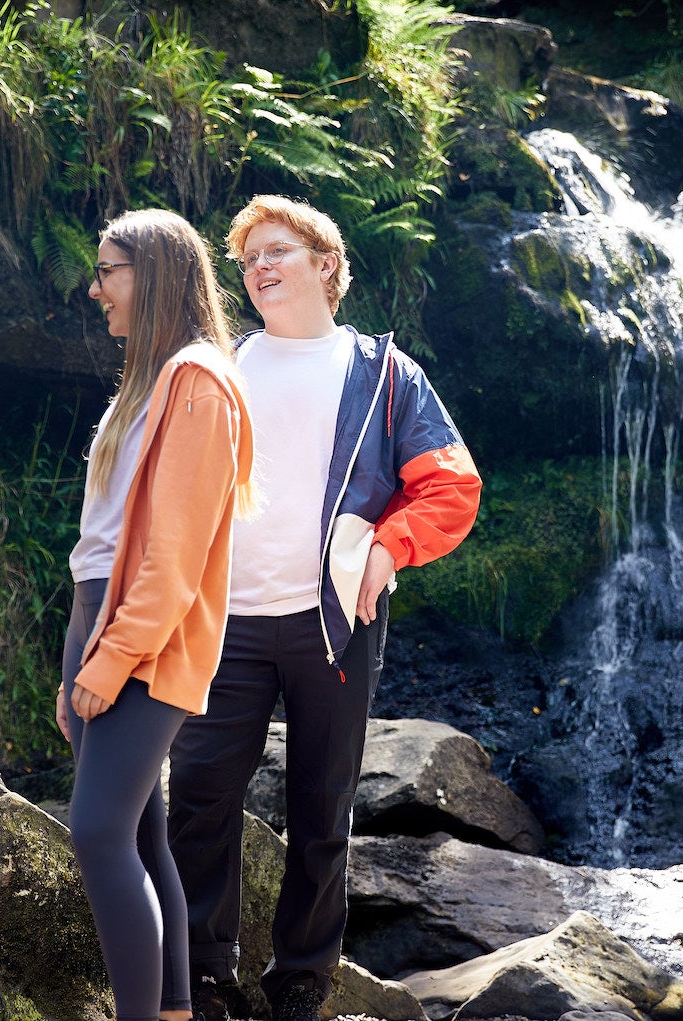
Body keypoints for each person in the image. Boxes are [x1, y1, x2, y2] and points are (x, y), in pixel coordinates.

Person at [167, 195, 482, 1021]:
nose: (259, 268)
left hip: (335, 621)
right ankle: (203, 975)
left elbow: (452, 485)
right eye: (249, 259)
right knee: (197, 790)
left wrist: (388, 547)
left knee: (321, 804)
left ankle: (302, 980)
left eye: (277, 251)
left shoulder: (384, 372)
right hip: (226, 619)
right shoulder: (222, 364)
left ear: (326, 264)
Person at [58, 208, 258, 1021]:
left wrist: (112, 657)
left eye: (108, 271)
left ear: (156, 274)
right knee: (140, 835)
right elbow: (101, 544)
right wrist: (79, 652)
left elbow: (173, 555)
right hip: (100, 619)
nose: (95, 288)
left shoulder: (199, 382)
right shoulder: (148, 381)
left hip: (146, 636)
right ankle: (174, 1011)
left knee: (98, 832)